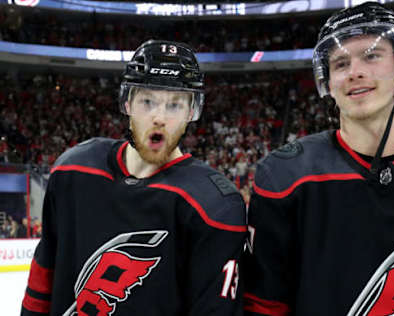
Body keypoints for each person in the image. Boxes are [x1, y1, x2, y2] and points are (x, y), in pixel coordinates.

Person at [243, 2, 394, 315]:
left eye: (371, 55)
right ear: (326, 81)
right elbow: (264, 306)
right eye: (340, 63)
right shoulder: (284, 175)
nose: (355, 72)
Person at [21, 40, 247, 316]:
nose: (159, 117)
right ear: (127, 102)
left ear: (191, 112)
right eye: (147, 101)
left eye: (174, 105)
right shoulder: (74, 171)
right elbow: (43, 276)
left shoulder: (215, 205)